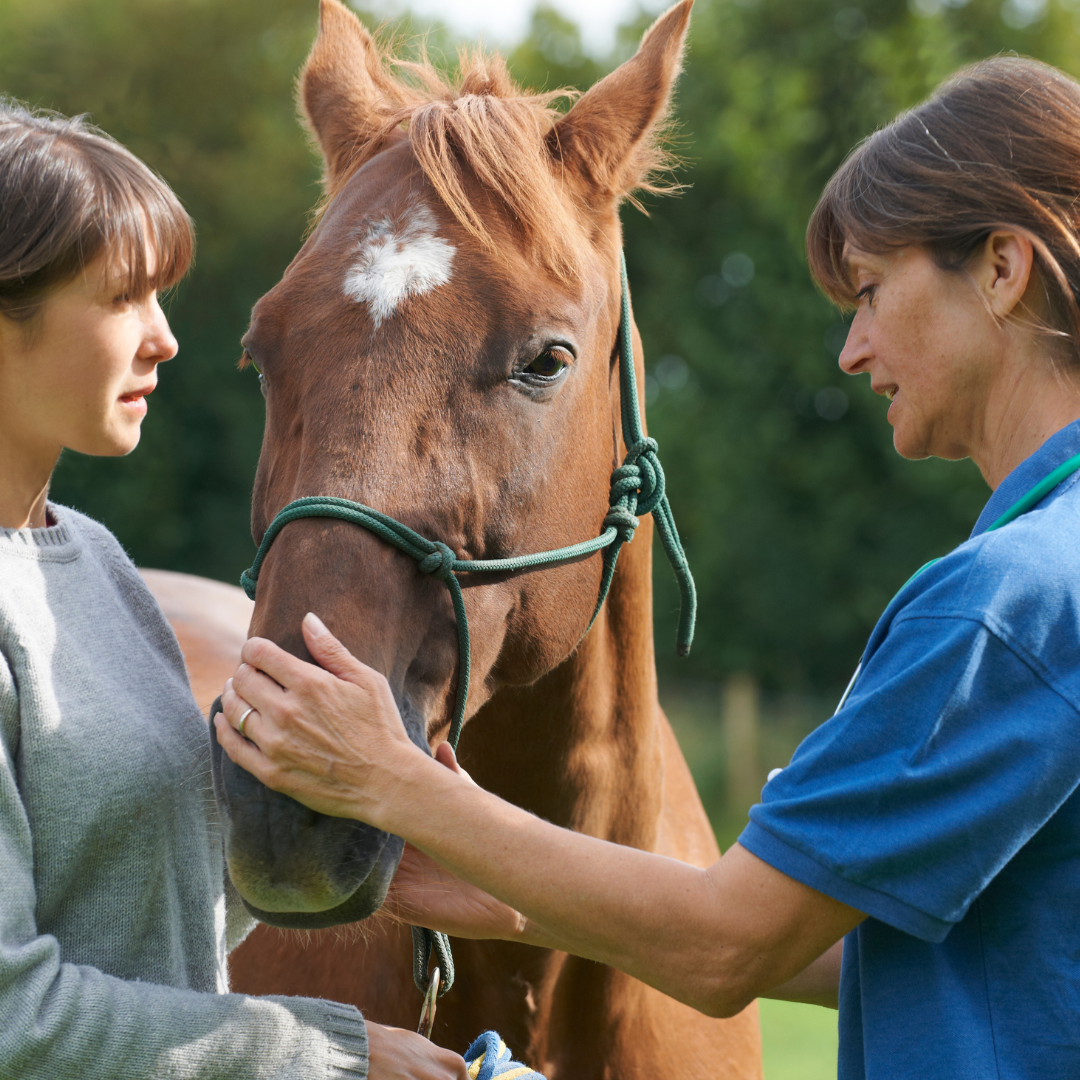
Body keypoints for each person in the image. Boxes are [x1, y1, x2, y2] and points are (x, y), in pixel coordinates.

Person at [218, 55, 1080, 1079]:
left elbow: (731, 944)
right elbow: (978, 953)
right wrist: (524, 899)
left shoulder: (1000, 608)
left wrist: (393, 784)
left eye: (874, 292)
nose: (852, 350)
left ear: (1002, 268)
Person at [0, 101, 469, 1080]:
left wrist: (391, 870)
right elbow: (15, 1020)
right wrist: (329, 1054)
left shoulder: (91, 559)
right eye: (124, 297)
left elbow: (132, 917)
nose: (165, 338)